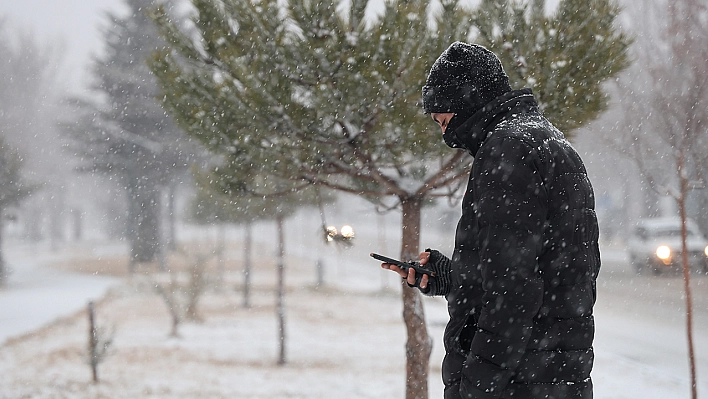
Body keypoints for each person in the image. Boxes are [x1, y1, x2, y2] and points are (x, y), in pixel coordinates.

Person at [382, 42, 600, 399]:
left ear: (465, 103)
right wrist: (453, 278)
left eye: (444, 120)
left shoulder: (506, 150)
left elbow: (513, 295)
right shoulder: (554, 143)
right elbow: (555, 272)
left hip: (517, 383)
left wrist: (477, 385)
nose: (444, 134)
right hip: (560, 375)